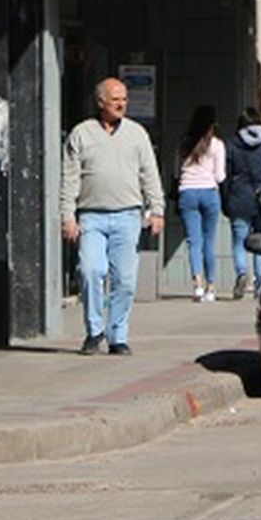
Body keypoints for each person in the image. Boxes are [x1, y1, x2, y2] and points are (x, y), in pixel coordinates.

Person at [60, 77, 165, 356]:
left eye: (124, 99)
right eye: (115, 99)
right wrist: (67, 216)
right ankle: (94, 331)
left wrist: (157, 210)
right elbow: (69, 179)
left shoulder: (137, 134)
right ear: (100, 102)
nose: (121, 104)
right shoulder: (81, 134)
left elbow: (149, 174)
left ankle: (118, 335)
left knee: (126, 280)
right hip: (91, 216)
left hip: (128, 216)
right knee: (91, 270)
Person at [223, 107, 261, 299]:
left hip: (239, 196)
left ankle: (241, 274)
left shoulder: (232, 143)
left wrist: (226, 199)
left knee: (239, 240)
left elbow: (227, 175)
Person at [175, 106, 227, 303]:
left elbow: (176, 172)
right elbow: (220, 176)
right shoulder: (217, 145)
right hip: (209, 192)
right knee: (209, 241)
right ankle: (211, 286)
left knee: (193, 241)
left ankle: (197, 284)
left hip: (187, 192)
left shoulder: (184, 143)